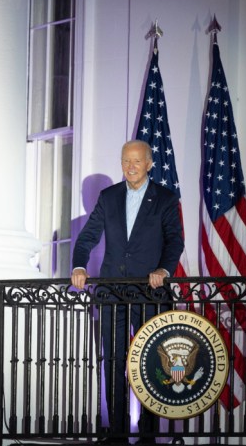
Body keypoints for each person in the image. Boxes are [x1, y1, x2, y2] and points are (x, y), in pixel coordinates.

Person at [71, 139, 184, 441]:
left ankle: (148, 434)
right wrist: (79, 266)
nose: (131, 167)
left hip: (151, 294)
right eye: (125, 161)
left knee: (151, 363)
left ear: (149, 164)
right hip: (112, 294)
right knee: (114, 362)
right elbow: (87, 238)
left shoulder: (165, 198)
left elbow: (175, 241)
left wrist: (164, 270)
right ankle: (118, 433)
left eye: (137, 161)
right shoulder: (109, 197)